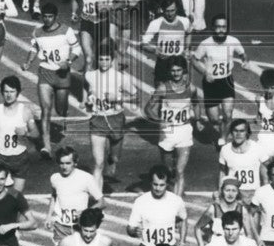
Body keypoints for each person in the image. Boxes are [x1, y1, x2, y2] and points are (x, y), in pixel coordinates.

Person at [24, 3, 82, 157]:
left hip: (62, 75)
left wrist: (68, 62)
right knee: (46, 110)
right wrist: (28, 62)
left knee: (61, 109)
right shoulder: (37, 32)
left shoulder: (66, 31)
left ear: (56, 17)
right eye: (45, 16)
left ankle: (62, 109)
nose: (47, 19)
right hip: (45, 73)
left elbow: (77, 49)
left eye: (50, 16)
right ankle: (46, 146)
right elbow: (34, 48)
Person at [83, 43, 139, 188]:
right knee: (98, 163)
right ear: (97, 60)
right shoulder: (90, 76)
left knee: (114, 157)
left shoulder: (121, 78)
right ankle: (97, 196)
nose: (104, 63)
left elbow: (135, 96)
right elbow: (88, 90)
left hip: (116, 119)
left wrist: (118, 99)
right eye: (101, 59)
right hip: (98, 120)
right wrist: (88, 100)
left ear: (112, 60)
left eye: (107, 59)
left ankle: (112, 160)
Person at [145, 55, 202, 197]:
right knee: (168, 170)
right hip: (167, 133)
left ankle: (177, 201)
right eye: (173, 70)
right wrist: (159, 120)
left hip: (184, 130)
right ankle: (170, 187)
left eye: (179, 70)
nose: (176, 73)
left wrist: (198, 119)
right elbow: (148, 109)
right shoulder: (163, 88)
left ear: (184, 71)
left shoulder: (191, 88)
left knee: (180, 171)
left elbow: (195, 103)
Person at [192, 14, 248, 148]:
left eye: (223, 27)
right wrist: (205, 72)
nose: (221, 30)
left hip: (226, 81)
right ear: (213, 28)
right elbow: (194, 59)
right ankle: (218, 130)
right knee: (214, 119)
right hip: (211, 84)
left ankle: (223, 138)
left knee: (228, 115)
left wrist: (245, 61)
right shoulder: (205, 44)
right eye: (218, 27)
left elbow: (242, 53)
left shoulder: (233, 41)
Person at [0, 76, 39, 193]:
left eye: (12, 92)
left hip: (20, 158)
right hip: (0, 157)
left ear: (17, 92)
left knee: (16, 196)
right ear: (2, 93)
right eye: (6, 92)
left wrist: (26, 133)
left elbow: (36, 134)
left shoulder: (25, 112)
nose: (9, 95)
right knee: (0, 194)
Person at [127, 165, 188, 246]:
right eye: (155, 184)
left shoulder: (176, 201)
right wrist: (134, 232)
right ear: (150, 182)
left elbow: (183, 219)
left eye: (162, 185)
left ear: (167, 184)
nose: (158, 188)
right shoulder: (141, 201)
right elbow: (130, 228)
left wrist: (182, 243)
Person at [45, 146, 104, 243]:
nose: (64, 167)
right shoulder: (55, 178)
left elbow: (102, 202)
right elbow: (54, 196)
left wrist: (86, 212)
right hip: (61, 226)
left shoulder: (86, 178)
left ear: (75, 163)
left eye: (68, 163)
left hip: (80, 227)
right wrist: (48, 216)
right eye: (62, 163)